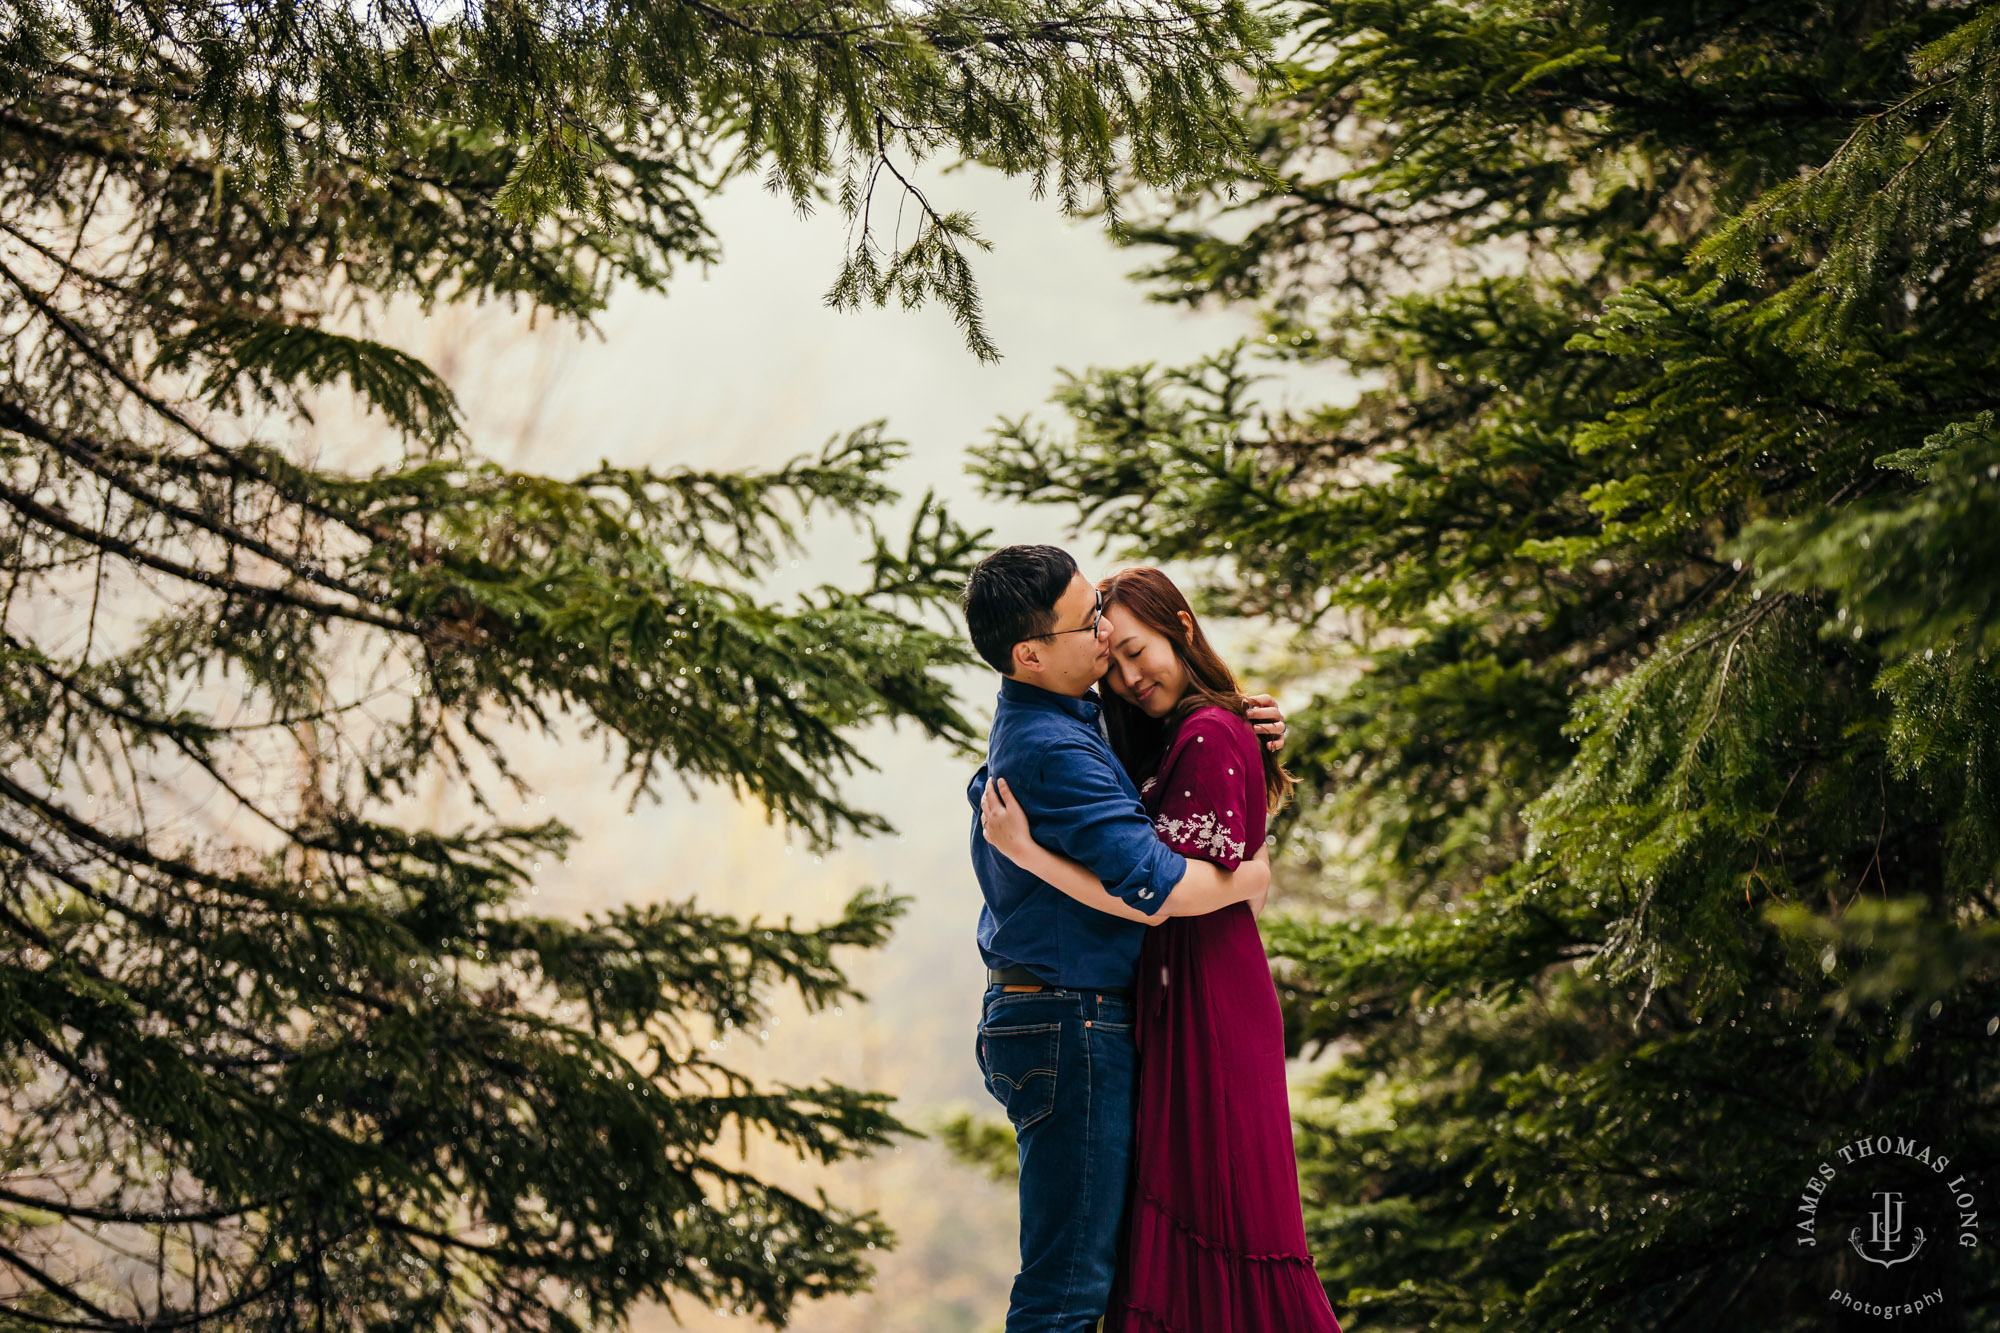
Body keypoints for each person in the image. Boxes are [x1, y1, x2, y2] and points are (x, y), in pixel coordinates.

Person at [980, 565, 1343, 1333]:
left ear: (1181, 625)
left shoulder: (1076, 717)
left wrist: (1246, 722)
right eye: (1094, 635)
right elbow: (1163, 891)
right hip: (1069, 1017)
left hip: (1101, 1011)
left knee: (1105, 1276)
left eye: (1121, 636)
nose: (1109, 644)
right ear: (1030, 655)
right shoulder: (1057, 741)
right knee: (1071, 1289)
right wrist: (1248, 874)